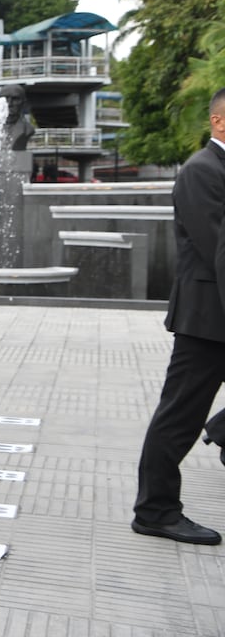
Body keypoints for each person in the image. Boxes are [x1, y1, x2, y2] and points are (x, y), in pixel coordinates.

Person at [132, 87, 225, 546]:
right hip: (208, 318)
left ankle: (223, 429)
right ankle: (155, 510)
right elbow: (218, 249)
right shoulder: (202, 171)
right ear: (219, 122)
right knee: (179, 417)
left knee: (185, 415)